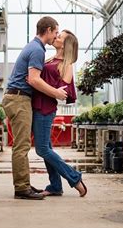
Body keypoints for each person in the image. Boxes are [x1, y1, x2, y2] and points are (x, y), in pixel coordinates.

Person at [2, 16, 68, 200]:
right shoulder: (38, 50)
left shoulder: (34, 47)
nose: (56, 36)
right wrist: (56, 92)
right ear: (47, 30)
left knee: (24, 145)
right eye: (55, 32)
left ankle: (23, 184)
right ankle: (22, 189)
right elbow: (33, 79)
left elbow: (32, 78)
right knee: (22, 146)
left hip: (19, 98)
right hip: (19, 99)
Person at [30, 30, 87, 197]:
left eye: (60, 37)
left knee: (42, 150)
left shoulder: (67, 65)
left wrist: (52, 89)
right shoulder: (50, 59)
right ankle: (55, 186)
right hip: (37, 105)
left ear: (66, 45)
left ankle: (74, 177)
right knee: (46, 147)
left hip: (45, 108)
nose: (56, 37)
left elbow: (63, 90)